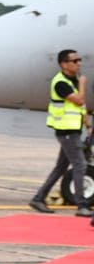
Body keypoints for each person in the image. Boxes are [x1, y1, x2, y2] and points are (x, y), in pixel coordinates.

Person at [28, 50, 91, 217]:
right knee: (80, 165)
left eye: (79, 60)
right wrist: (83, 84)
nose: (79, 63)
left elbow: (80, 106)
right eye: (74, 61)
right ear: (64, 64)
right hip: (66, 131)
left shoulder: (72, 80)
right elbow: (79, 100)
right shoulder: (60, 83)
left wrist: (88, 123)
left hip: (73, 130)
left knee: (61, 167)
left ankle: (38, 198)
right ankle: (82, 206)